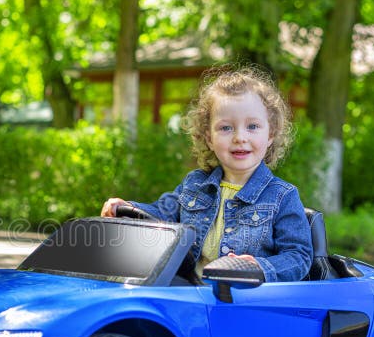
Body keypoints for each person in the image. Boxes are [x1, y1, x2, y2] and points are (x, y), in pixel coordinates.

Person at [101, 66, 313, 282]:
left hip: (245, 300)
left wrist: (260, 266)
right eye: (226, 128)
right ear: (209, 138)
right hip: (191, 294)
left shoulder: (282, 197)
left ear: (271, 135)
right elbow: (161, 214)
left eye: (252, 126)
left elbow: (299, 256)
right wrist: (128, 208)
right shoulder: (194, 185)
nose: (240, 137)